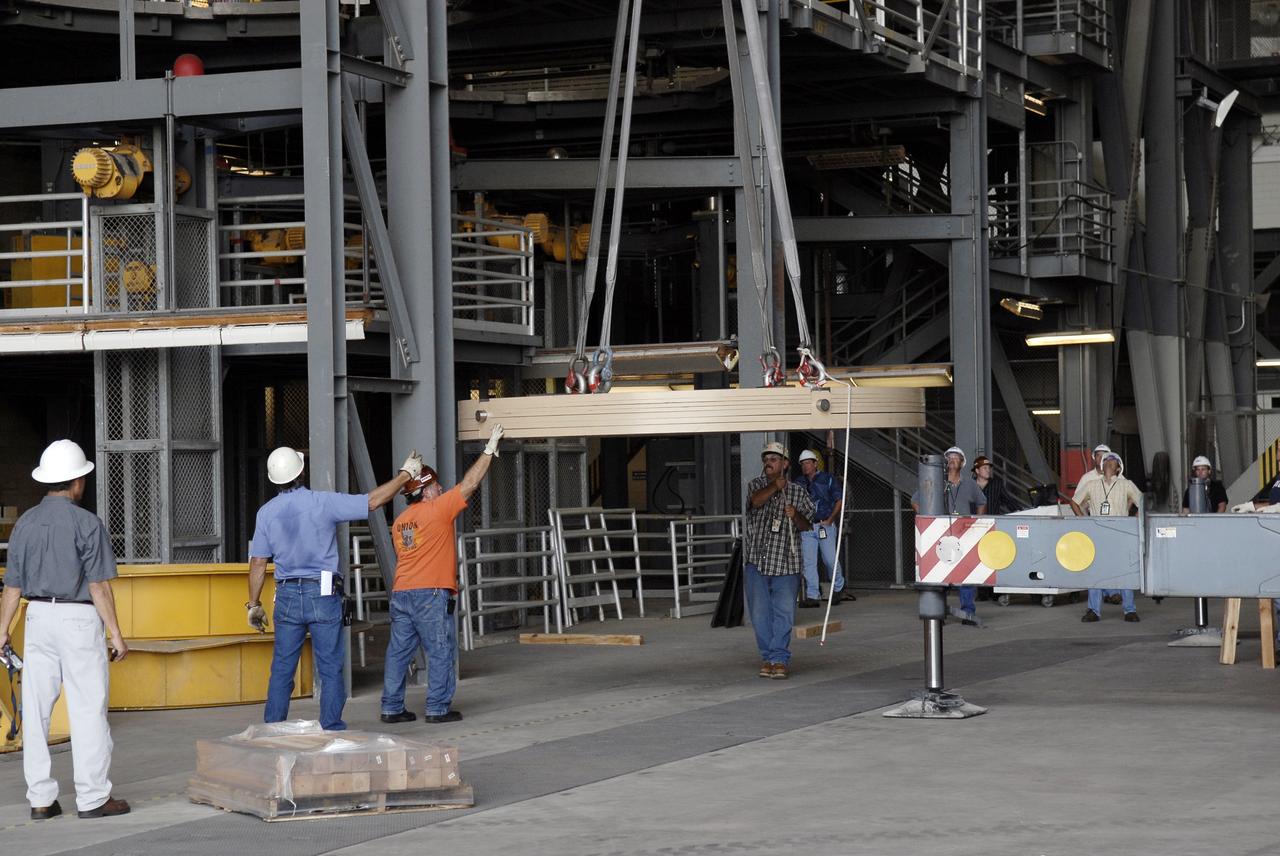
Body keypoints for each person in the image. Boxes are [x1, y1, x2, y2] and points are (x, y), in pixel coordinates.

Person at [246, 445, 422, 731]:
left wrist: (253, 604)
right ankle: (330, 727)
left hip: (287, 595)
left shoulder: (266, 514)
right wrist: (405, 475)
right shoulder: (322, 503)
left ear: (273, 479)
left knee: (282, 668)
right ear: (301, 472)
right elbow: (373, 502)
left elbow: (257, 562)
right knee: (329, 667)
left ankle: (272, 730)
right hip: (323, 593)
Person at [0, 440, 130, 820]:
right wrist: (117, 635)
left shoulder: (25, 523)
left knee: (37, 709)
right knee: (88, 708)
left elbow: (12, 588)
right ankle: (92, 798)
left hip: (37, 617)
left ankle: (40, 799)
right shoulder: (86, 523)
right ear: (77, 482)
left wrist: (3, 630)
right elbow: (98, 586)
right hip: (77, 619)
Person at [381, 425, 504, 725]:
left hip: (402, 593)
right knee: (439, 650)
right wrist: (489, 450)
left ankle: (391, 707)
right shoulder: (436, 510)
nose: (440, 488)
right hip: (431, 593)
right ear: (425, 491)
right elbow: (470, 483)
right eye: (435, 485)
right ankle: (437, 708)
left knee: (398, 653)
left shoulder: (400, 522)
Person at [744, 442, 815, 680]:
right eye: (766, 458)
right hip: (757, 561)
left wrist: (796, 515)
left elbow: (808, 525)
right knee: (760, 614)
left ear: (785, 464)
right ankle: (768, 657)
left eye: (774, 459)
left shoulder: (798, 491)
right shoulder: (756, 485)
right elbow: (755, 502)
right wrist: (775, 486)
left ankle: (779, 658)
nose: (768, 463)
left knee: (784, 613)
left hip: (787, 563)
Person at [911, 446, 987, 625]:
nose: (952, 460)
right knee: (939, 573)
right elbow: (915, 501)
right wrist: (930, 520)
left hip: (965, 533)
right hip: (941, 533)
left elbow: (982, 501)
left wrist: (977, 522)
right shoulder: (936, 480)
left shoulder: (969, 484)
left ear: (962, 462)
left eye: (956, 457)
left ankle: (967, 611)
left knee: (967, 572)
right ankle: (938, 611)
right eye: (949, 457)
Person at [1070, 452, 1143, 622]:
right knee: (1096, 571)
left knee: (1125, 571)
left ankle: (1129, 610)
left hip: (1120, 533)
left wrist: (1133, 521)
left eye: (1113, 461)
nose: (1108, 463)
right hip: (1098, 533)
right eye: (1106, 461)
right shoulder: (1092, 484)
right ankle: (1093, 610)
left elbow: (1143, 502)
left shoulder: (1126, 484)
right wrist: (1084, 521)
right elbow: (1075, 501)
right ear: (1101, 467)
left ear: (1118, 467)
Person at [793, 449, 851, 608]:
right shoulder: (799, 482)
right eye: (803, 464)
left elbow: (839, 499)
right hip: (807, 527)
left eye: (808, 463)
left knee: (830, 560)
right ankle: (813, 595)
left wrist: (831, 519)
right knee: (809, 563)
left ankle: (838, 588)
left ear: (815, 464)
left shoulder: (828, 479)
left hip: (825, 524)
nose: (805, 466)